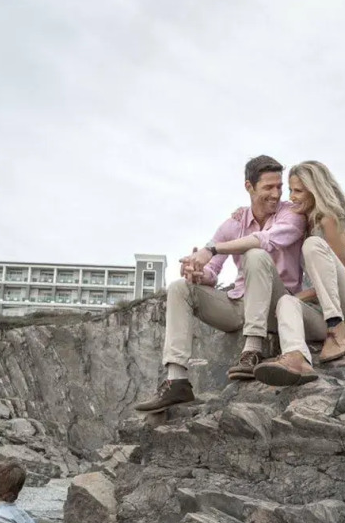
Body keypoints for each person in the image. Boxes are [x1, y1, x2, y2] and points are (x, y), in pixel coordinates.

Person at [134, 155, 322, 412]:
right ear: (249, 187)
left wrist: (210, 249)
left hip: (278, 306)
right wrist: (198, 273)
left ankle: (253, 349)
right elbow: (213, 270)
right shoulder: (233, 224)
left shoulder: (291, 214)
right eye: (268, 187)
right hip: (239, 304)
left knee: (255, 253)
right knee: (180, 287)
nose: (277, 194)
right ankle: (176, 380)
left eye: (279, 186)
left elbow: (266, 240)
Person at [258, 160, 345, 384]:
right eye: (290, 190)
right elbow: (270, 219)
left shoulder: (329, 219)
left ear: (314, 191)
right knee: (285, 303)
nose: (292, 196)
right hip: (321, 311)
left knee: (313, 246)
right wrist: (242, 212)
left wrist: (301, 295)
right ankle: (296, 357)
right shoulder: (301, 224)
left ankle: (337, 328)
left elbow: (338, 277)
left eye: (298, 190)